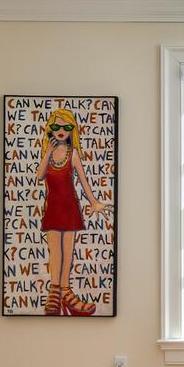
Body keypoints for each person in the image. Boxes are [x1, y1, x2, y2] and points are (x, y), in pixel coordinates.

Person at [37, 108, 110, 315]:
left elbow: (84, 181)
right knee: (55, 253)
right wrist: (48, 152)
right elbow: (39, 175)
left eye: (67, 126)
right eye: (57, 126)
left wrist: (94, 202)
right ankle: (54, 291)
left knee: (68, 252)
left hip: (70, 207)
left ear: (72, 130)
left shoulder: (73, 154)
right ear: (50, 129)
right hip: (53, 208)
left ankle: (66, 291)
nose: (61, 130)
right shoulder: (48, 154)